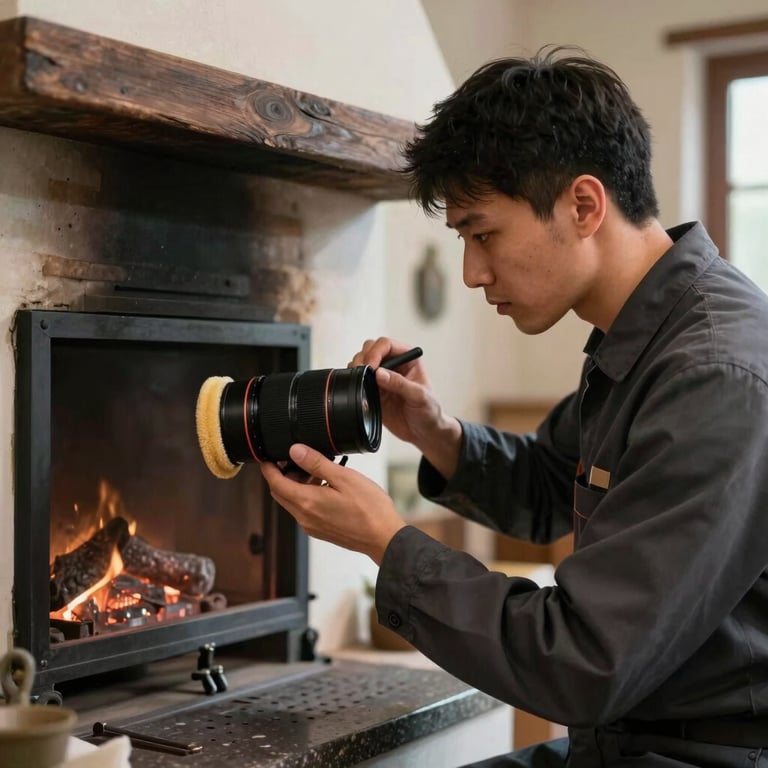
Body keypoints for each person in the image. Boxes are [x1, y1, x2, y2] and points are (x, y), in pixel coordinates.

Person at [260, 47, 768, 767]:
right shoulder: (649, 331)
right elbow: (551, 484)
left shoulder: (713, 374)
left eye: (482, 233)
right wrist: (437, 434)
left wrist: (388, 543)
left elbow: (585, 660)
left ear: (584, 205)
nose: (472, 272)